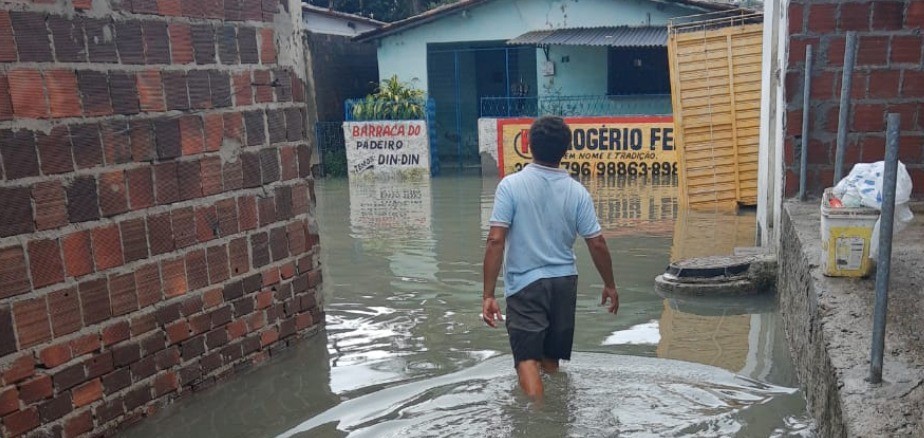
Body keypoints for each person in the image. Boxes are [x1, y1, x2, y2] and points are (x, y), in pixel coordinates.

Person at [482, 116, 619, 400]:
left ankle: (541, 421)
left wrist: (488, 294)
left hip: (526, 285)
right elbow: (597, 243)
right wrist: (610, 285)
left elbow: (496, 239)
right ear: (566, 150)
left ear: (529, 144)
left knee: (526, 360)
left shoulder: (510, 186)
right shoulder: (577, 192)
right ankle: (556, 412)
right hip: (564, 283)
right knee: (550, 360)